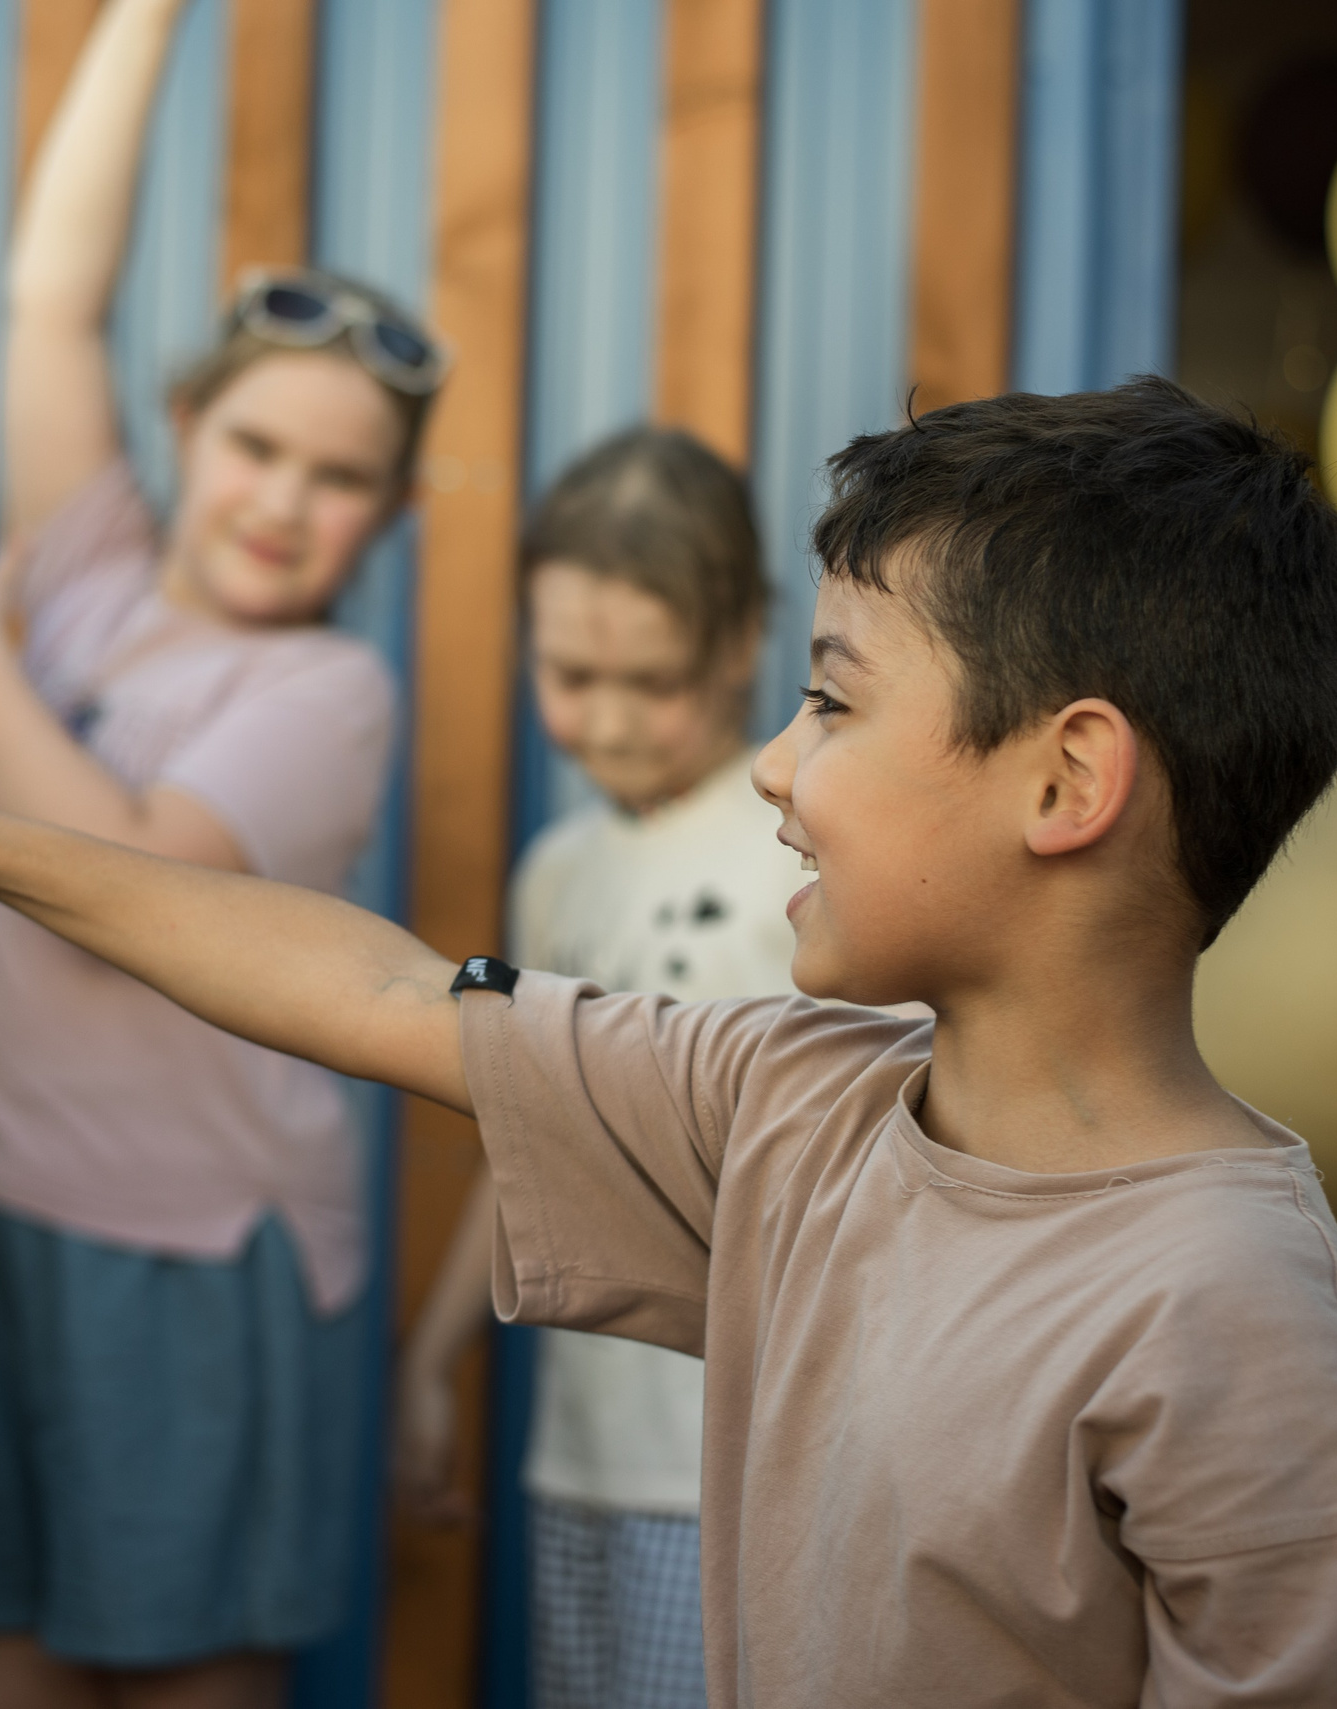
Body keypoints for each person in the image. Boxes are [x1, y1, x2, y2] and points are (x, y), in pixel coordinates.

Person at [0, 378, 1337, 1708]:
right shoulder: (790, 1110)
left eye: (829, 699)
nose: (771, 762)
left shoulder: (1258, 1346)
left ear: (1065, 780)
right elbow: (373, 991)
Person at [0, 0, 443, 1702]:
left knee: (188, 1674)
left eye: (341, 478)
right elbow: (54, 292)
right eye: (257, 444)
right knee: (0, 1653)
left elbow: (125, 866)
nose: (281, 497)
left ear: (392, 513)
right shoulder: (99, 571)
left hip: (186, 1252)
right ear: (187, 427)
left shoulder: (330, 689)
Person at [397, 428, 787, 1709]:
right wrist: (434, 1353)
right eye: (570, 673)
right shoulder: (554, 873)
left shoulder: (805, 852)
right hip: (582, 1450)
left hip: (753, 1463)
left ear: (740, 642)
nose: (607, 719)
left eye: (652, 678)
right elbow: (531, 1135)